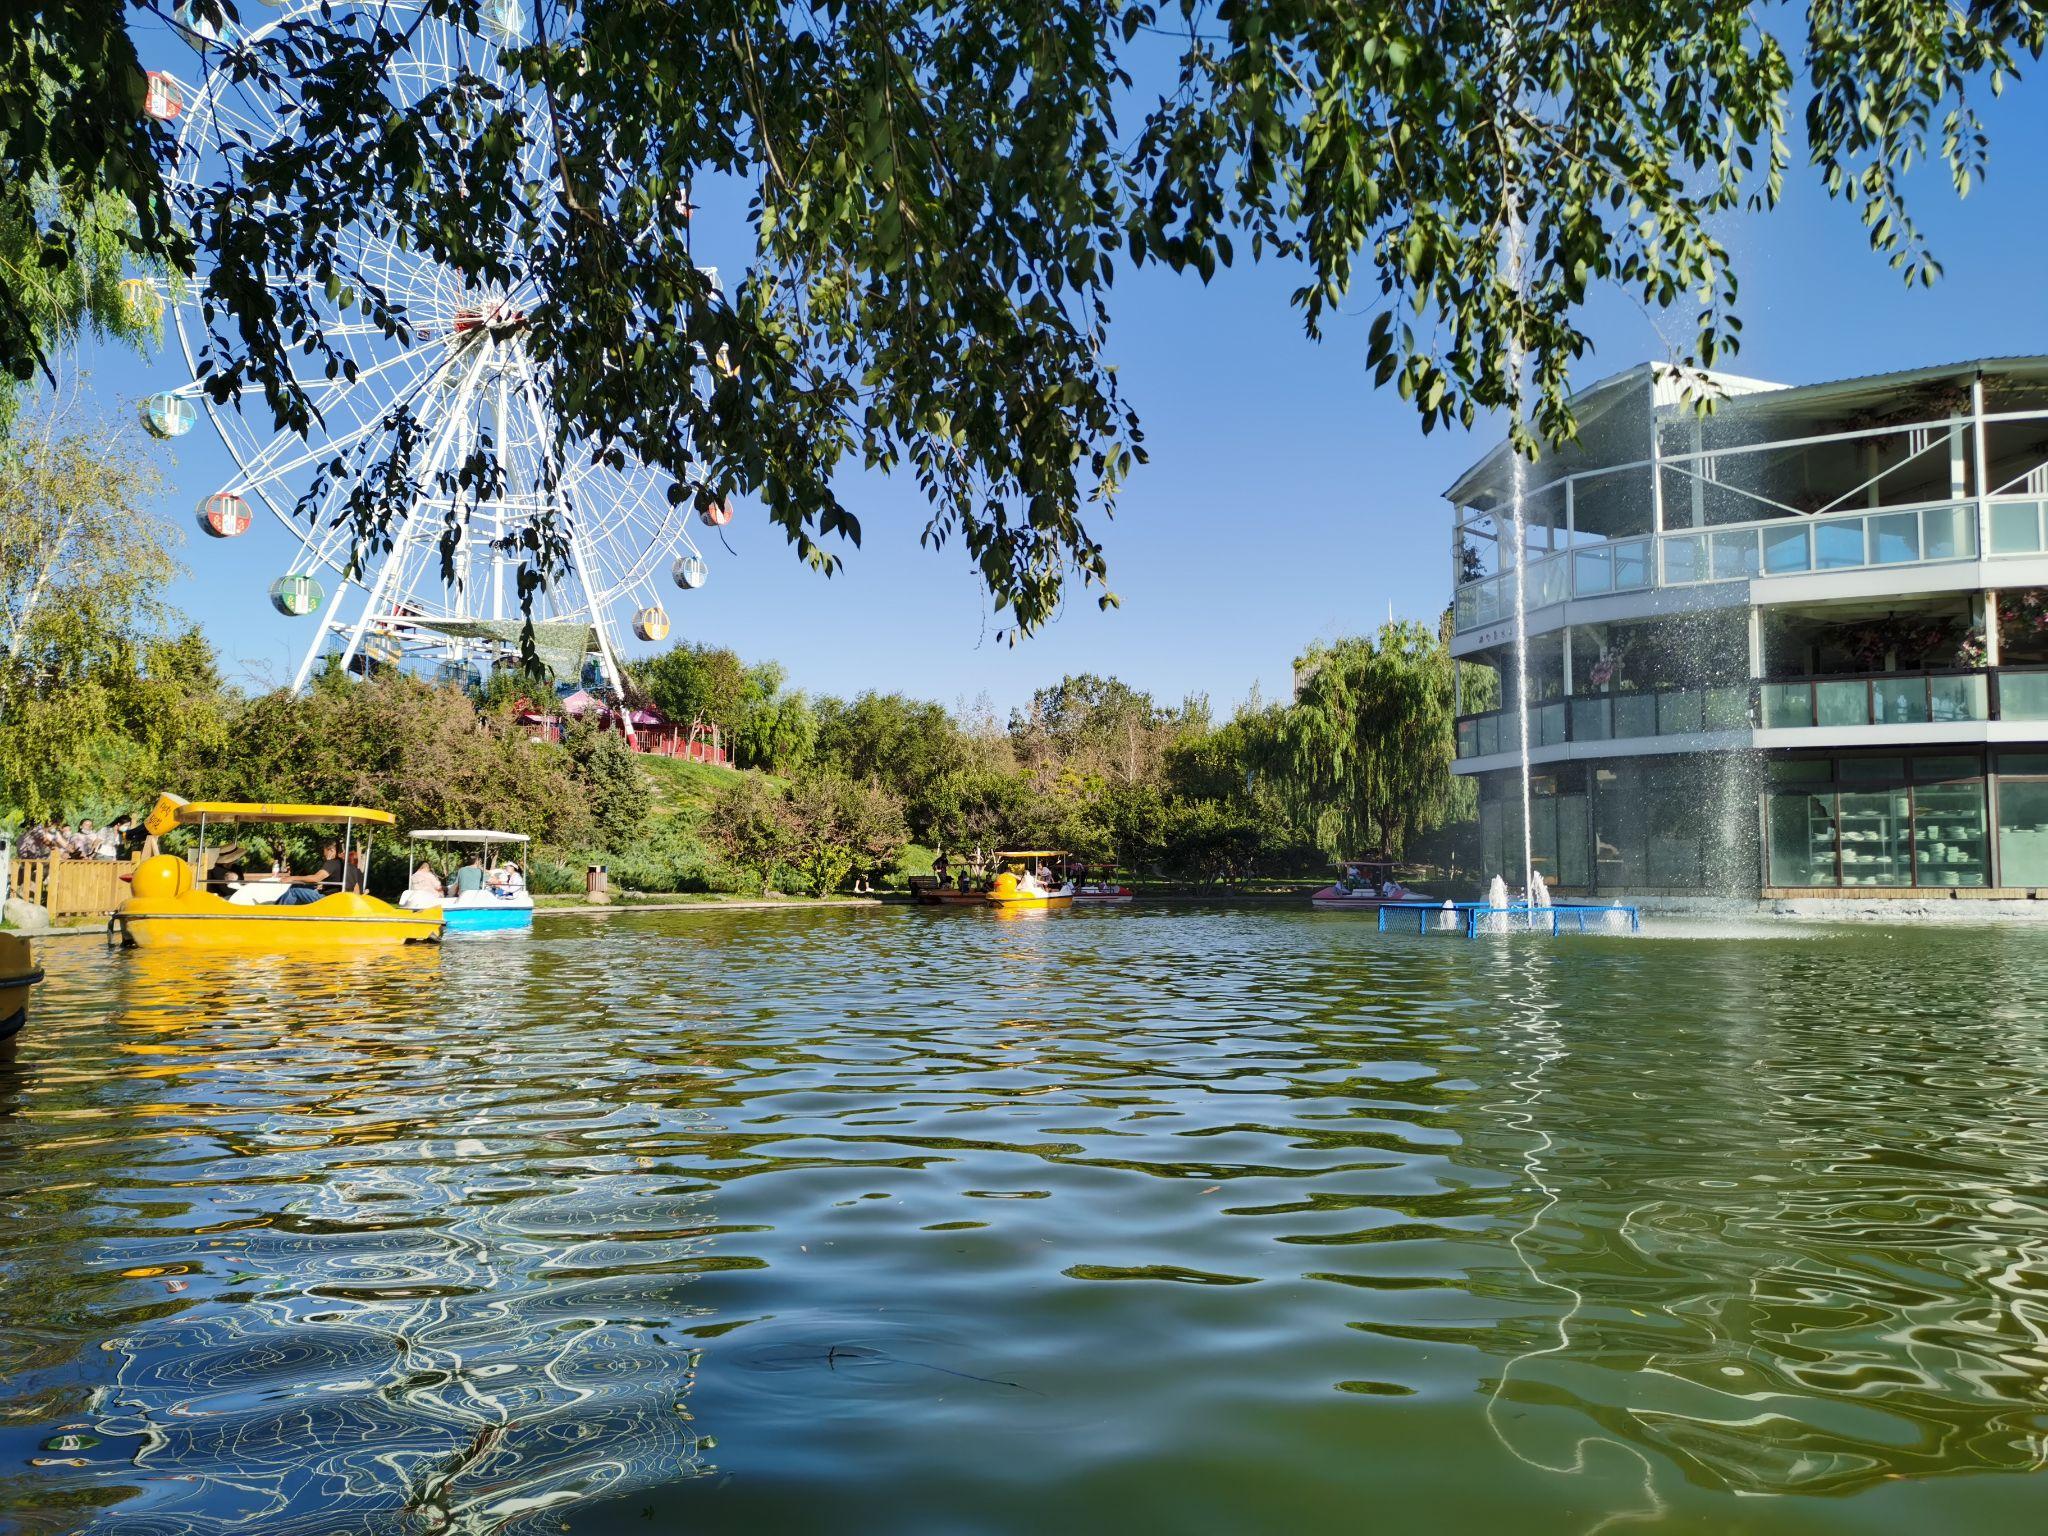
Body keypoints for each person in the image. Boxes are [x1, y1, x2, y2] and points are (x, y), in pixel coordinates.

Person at [274, 841, 345, 906]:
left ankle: (277, 913)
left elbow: (316, 878)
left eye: (325, 853)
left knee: (294, 890)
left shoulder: (332, 863)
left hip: (327, 899)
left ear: (331, 850)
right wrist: (323, 885)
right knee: (302, 886)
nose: (324, 856)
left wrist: (292, 878)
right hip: (337, 897)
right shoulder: (343, 863)